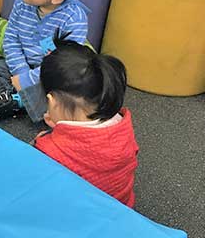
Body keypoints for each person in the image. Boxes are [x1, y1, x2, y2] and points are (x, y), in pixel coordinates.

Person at [34, 40, 139, 207]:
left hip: (78, 221)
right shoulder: (122, 124)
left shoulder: (48, 150)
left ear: (52, 102)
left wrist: (42, 141)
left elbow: (41, 187)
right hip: (122, 210)